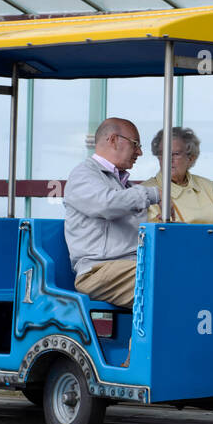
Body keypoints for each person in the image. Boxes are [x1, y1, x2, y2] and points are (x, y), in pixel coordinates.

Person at [63, 117, 162, 308]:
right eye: (136, 145)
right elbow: (106, 204)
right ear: (114, 139)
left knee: (184, 273)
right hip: (97, 271)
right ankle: (145, 339)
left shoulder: (123, 184)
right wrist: (153, 194)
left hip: (127, 267)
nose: (139, 152)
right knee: (163, 280)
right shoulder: (83, 174)